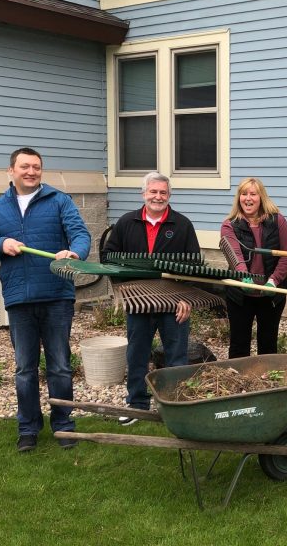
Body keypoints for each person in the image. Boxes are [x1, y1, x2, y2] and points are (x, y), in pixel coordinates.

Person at [0, 147, 91, 452]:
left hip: (56, 296)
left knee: (60, 367)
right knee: (25, 370)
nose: (31, 172)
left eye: (36, 167)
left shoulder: (59, 201)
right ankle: (28, 428)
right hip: (19, 300)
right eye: (25, 166)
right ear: (11, 170)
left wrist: (74, 252)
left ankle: (64, 424)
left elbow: (80, 234)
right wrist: (1, 244)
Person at [102, 172, 198, 425]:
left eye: (163, 193)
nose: (158, 197)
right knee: (137, 354)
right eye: (153, 192)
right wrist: (125, 290)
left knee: (176, 356)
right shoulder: (126, 223)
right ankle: (137, 404)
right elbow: (109, 257)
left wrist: (186, 298)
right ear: (143, 193)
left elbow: (195, 266)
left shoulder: (182, 225)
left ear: (169, 195)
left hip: (173, 303)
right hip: (140, 301)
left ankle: (175, 405)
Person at [220, 177, 287, 358]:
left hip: (270, 294)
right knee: (239, 345)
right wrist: (244, 277)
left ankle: (267, 382)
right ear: (239, 198)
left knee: (268, 344)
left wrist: (273, 281)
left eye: (253, 194)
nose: (248, 198)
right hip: (240, 295)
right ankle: (239, 382)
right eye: (244, 194)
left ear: (261, 197)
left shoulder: (277, 221)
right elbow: (235, 255)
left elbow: (286, 255)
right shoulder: (229, 225)